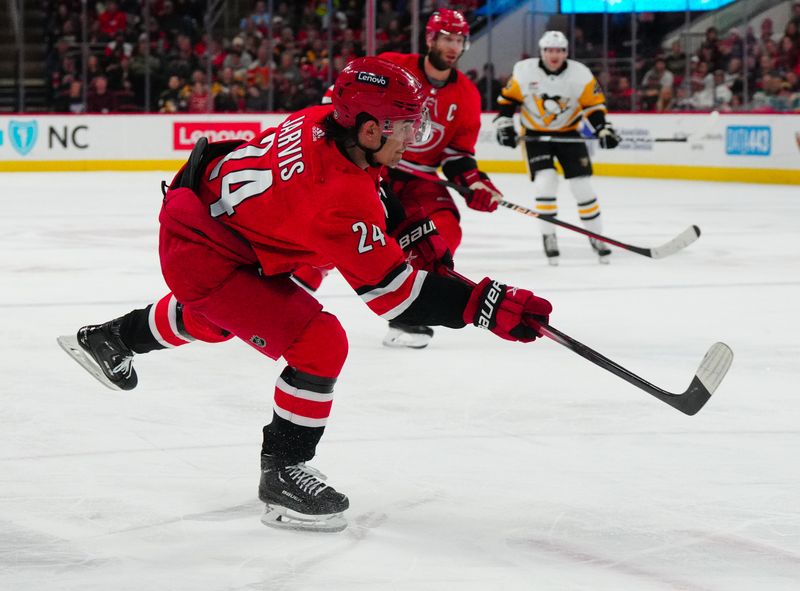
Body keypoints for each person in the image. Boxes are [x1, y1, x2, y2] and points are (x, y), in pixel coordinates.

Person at [57, 57, 553, 534]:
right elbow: (398, 300)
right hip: (205, 251)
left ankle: (111, 339)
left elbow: (371, 182)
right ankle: (283, 472)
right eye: (404, 126)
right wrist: (483, 305)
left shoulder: (325, 121)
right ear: (368, 129)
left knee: (224, 317)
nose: (412, 138)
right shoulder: (335, 200)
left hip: (223, 223)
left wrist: (405, 227)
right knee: (319, 341)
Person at [370, 8, 506, 348]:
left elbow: (457, 154)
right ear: (430, 38)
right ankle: (294, 286)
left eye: (459, 40)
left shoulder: (467, 95)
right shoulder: (392, 66)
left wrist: (475, 183)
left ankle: (406, 314)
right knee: (347, 224)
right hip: (375, 167)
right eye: (447, 38)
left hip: (421, 179)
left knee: (444, 228)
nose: (453, 46)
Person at [494, 30, 620, 266]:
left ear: (566, 52)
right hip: (534, 135)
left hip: (568, 133)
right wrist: (505, 126)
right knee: (546, 182)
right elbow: (508, 101)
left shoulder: (580, 74)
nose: (555, 55)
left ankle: (596, 236)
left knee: (582, 187)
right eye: (550, 50)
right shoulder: (524, 71)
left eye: (560, 50)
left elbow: (593, 106)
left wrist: (603, 129)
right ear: (542, 52)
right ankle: (549, 235)